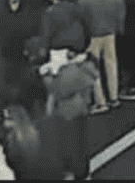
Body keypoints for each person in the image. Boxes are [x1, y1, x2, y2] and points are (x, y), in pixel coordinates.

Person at [39, 45, 97, 181]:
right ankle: (82, 173)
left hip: (64, 114)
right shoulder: (76, 71)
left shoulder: (57, 77)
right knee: (79, 145)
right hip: (77, 111)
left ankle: (73, 172)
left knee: (68, 147)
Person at [78, 0, 125, 113]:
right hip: (110, 32)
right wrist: (119, 28)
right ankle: (114, 96)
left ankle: (100, 101)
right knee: (112, 63)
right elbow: (120, 12)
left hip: (93, 34)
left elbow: (81, 14)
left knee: (94, 67)